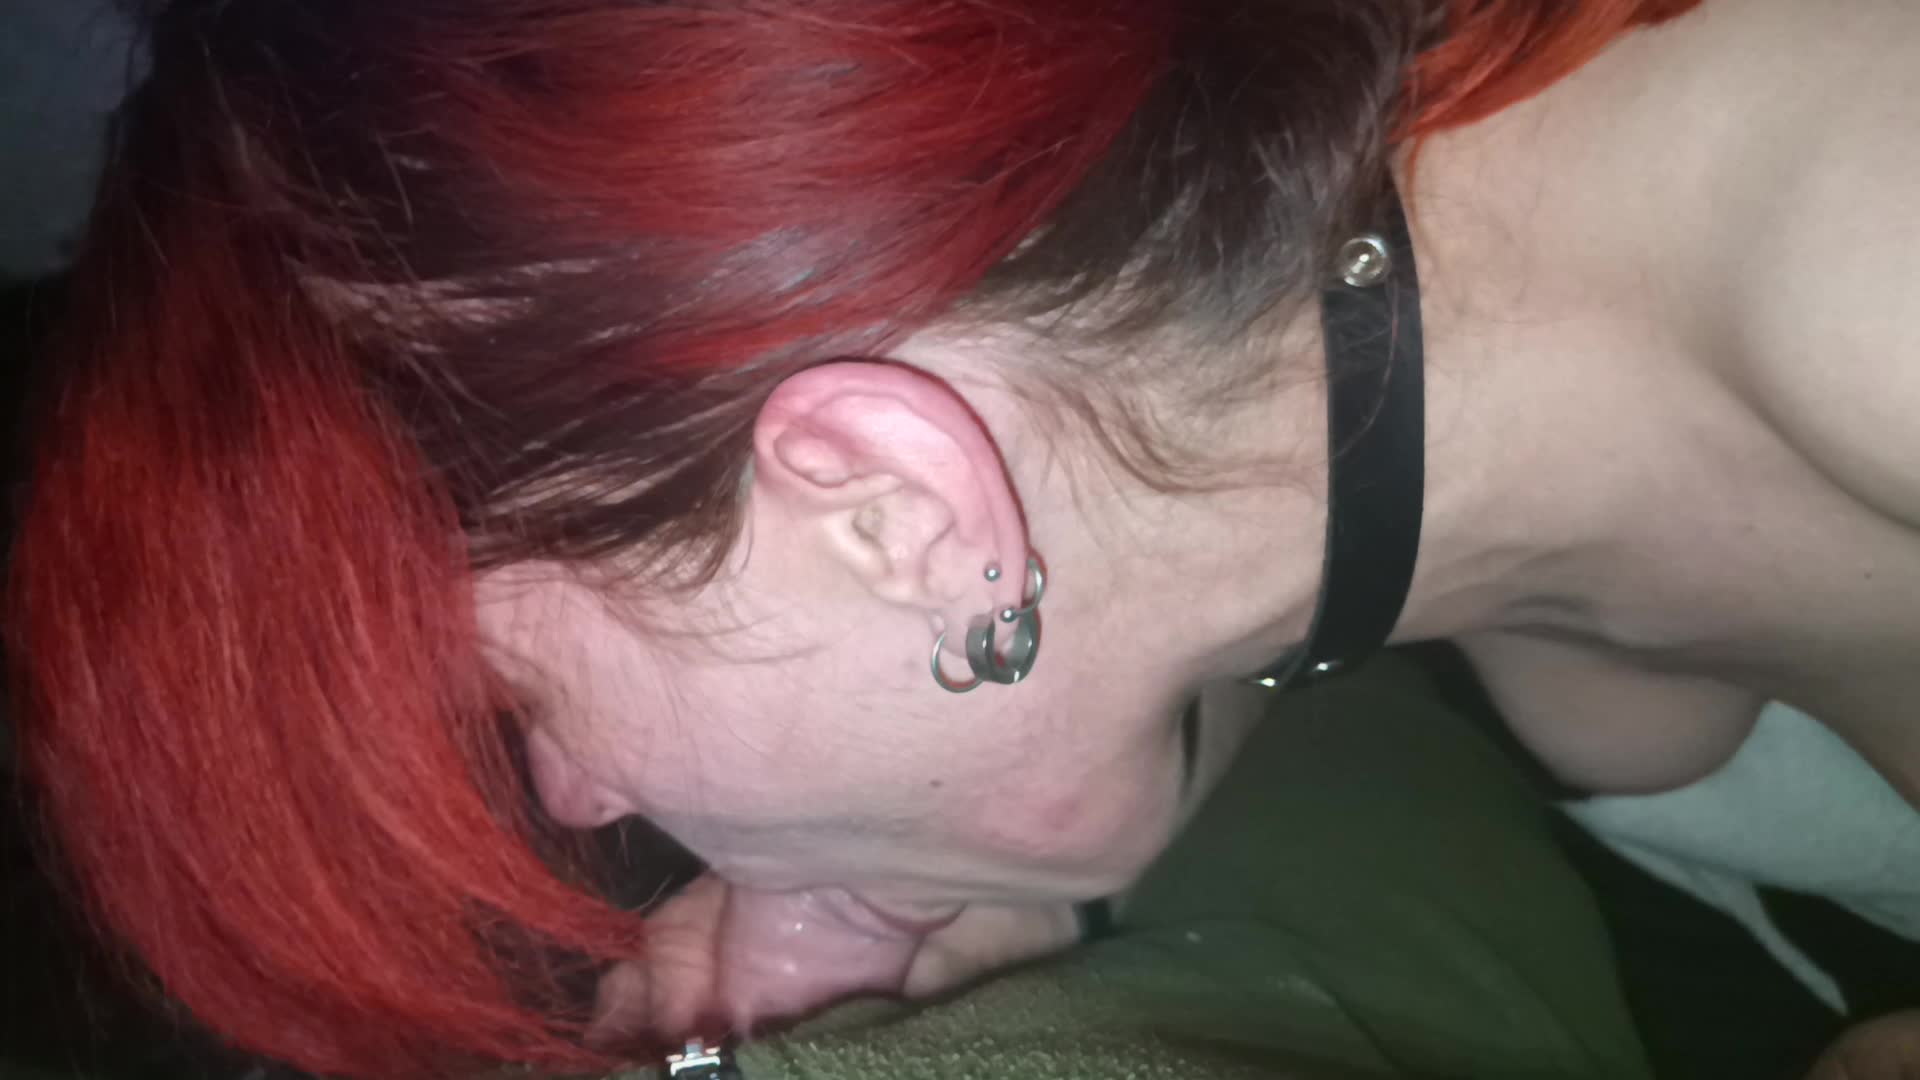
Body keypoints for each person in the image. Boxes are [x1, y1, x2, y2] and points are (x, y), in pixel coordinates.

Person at [10, 0, 1920, 1076]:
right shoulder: (1391, 386)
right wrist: (955, 885)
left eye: (525, 713)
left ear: (894, 511)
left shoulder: (1874, 266)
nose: (581, 793)